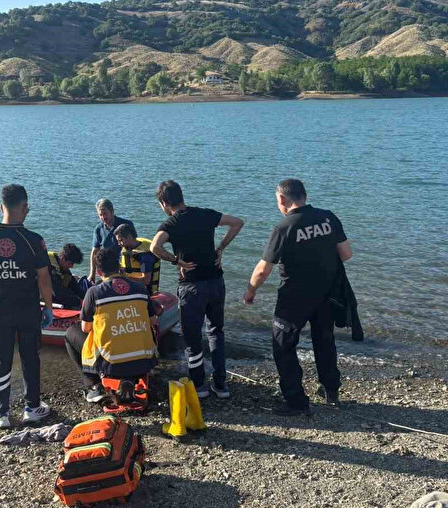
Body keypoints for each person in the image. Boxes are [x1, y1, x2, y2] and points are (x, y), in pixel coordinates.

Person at [243, 178, 353, 416]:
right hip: (326, 294)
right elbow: (346, 254)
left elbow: (263, 269)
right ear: (304, 195)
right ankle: (331, 390)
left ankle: (296, 402)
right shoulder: (328, 217)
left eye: (277, 201)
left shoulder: (284, 227)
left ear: (282, 199)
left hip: (294, 298)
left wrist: (251, 290)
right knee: (324, 340)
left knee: (283, 346)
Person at [150, 180, 244, 399]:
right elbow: (237, 222)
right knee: (216, 332)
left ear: (164, 203)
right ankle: (221, 385)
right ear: (181, 196)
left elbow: (155, 247)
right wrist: (220, 248)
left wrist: (176, 261)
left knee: (192, 338)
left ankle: (199, 385)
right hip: (215, 282)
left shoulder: (171, 223)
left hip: (191, 286)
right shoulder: (205, 214)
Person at [0, 184, 54, 428]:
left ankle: (1, 413)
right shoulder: (34, 241)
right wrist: (48, 308)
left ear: (1, 207)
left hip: (0, 309)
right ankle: (31, 407)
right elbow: (44, 278)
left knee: (1, 359)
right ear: (24, 207)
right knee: (30, 357)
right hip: (28, 309)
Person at [65, 247, 158, 403]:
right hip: (144, 361)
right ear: (119, 267)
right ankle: (132, 377)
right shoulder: (141, 289)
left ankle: (95, 385)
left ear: (100, 273)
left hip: (112, 364)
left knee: (71, 334)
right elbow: (153, 321)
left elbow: (85, 328)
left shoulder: (94, 293)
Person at [89, 198, 133, 282]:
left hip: (125, 268)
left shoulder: (126, 225)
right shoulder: (98, 229)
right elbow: (94, 252)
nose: (103, 217)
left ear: (112, 211)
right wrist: (92, 274)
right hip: (107, 270)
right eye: (100, 215)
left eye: (105, 214)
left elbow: (135, 245)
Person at [114, 223, 161, 296]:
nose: (118, 243)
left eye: (120, 240)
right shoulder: (128, 248)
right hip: (130, 289)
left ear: (129, 237)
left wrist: (124, 278)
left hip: (144, 293)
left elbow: (146, 281)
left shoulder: (145, 256)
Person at [48, 243, 87, 309]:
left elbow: (74, 286)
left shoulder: (61, 265)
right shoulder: (49, 264)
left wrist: (86, 298)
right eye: (70, 263)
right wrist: (79, 301)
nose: (72, 266)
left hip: (55, 289)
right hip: (36, 291)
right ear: (63, 258)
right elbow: (59, 293)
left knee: (70, 281)